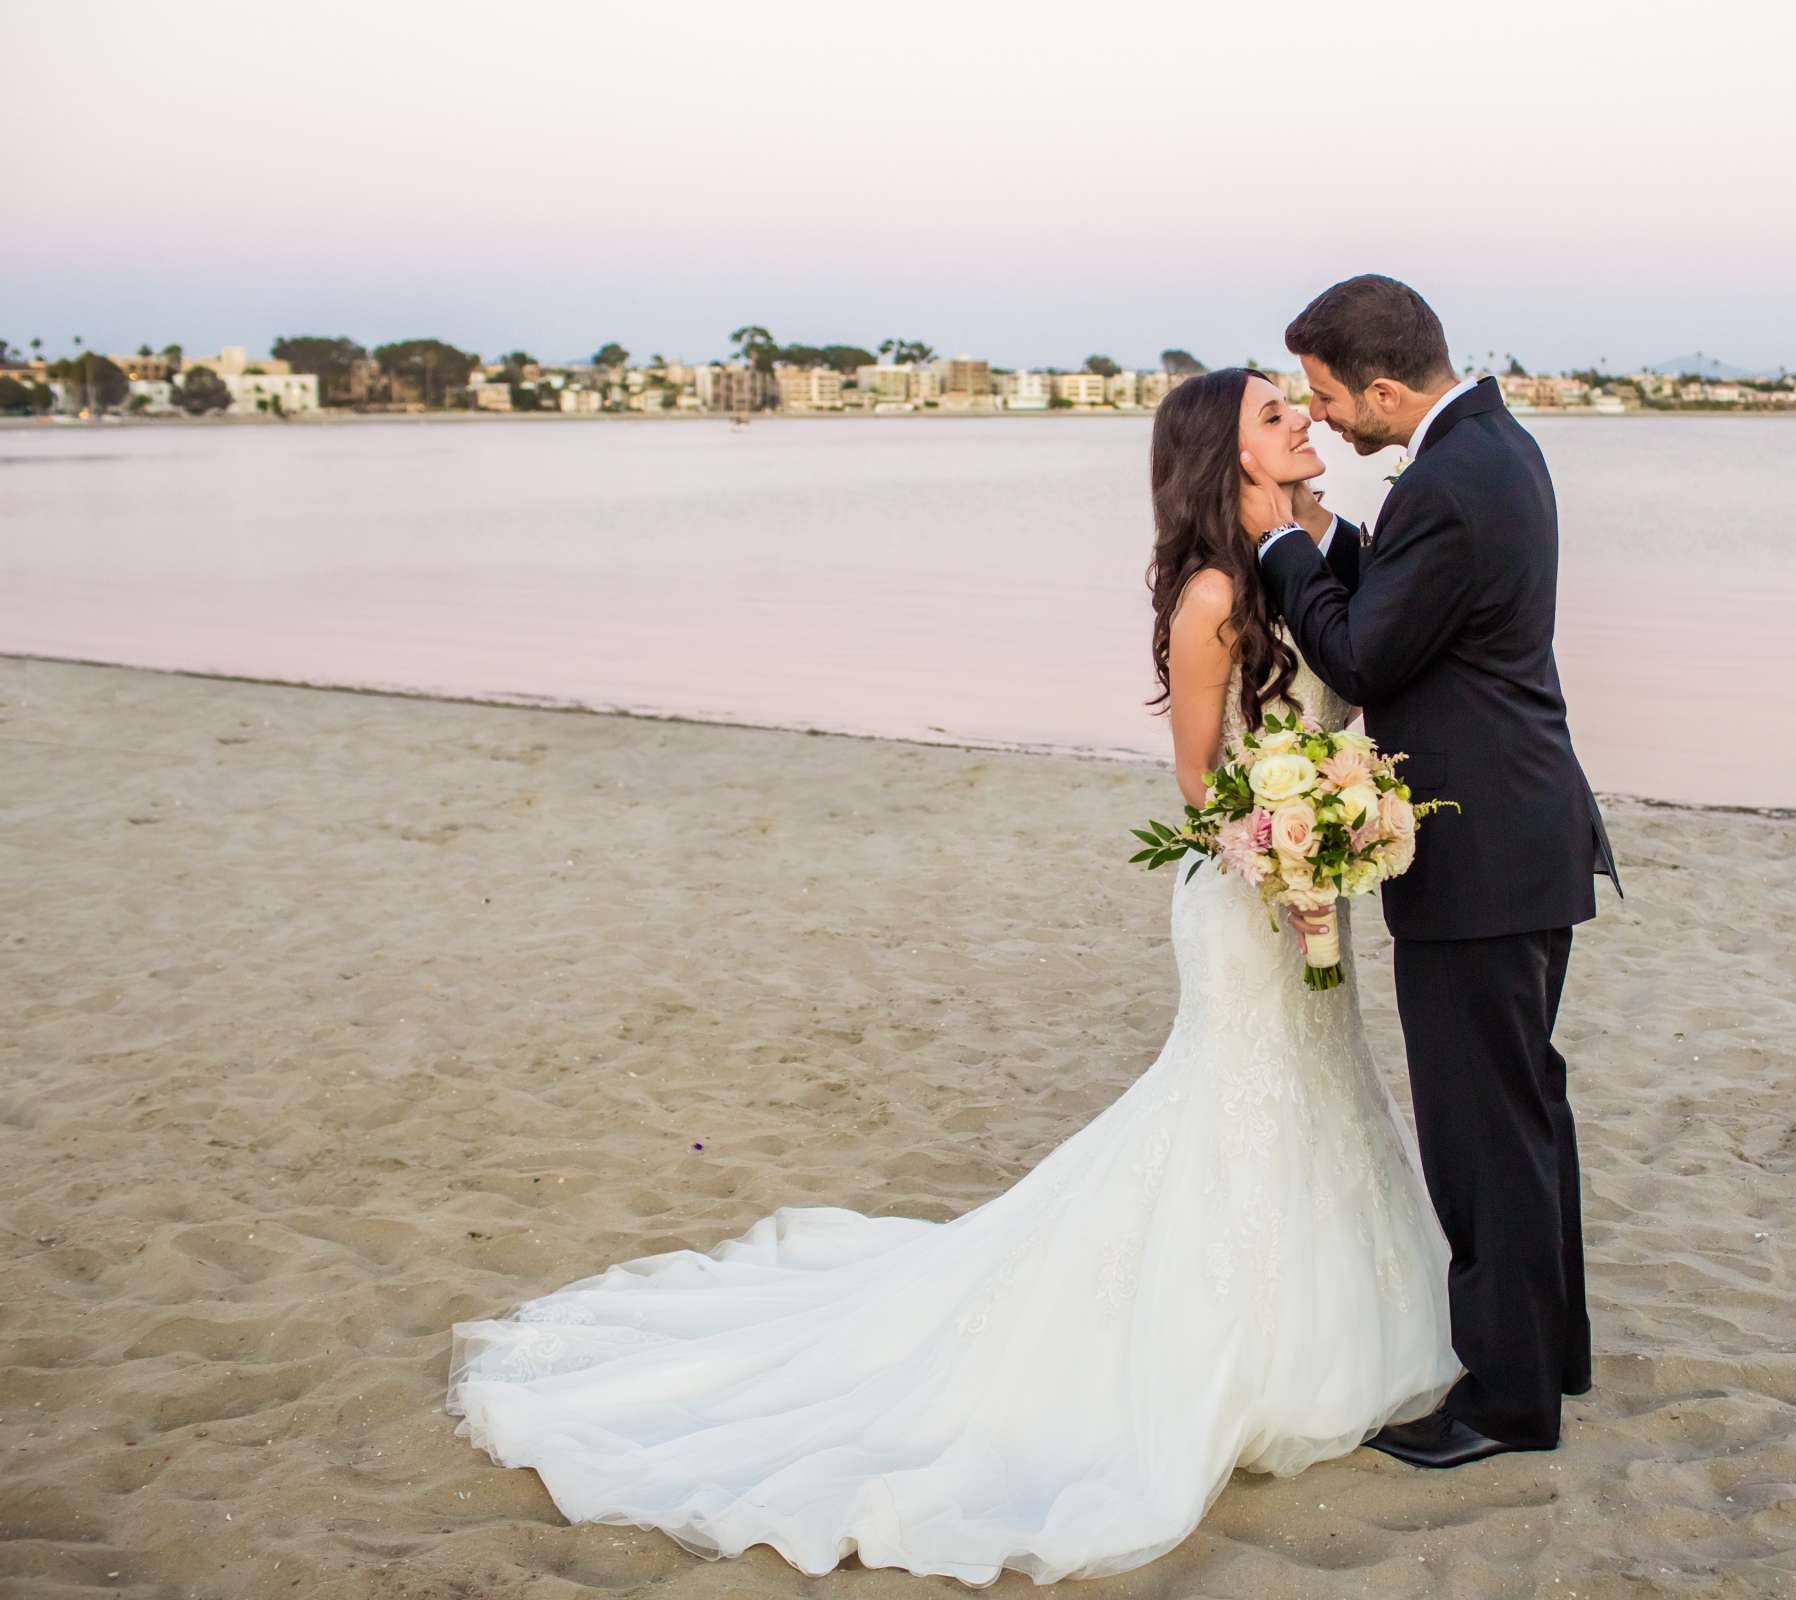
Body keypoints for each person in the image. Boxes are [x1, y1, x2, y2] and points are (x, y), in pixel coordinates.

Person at [444, 366, 1459, 1585]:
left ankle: (1326, 1328)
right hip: (1244, 896)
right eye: (1274, 413)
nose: (1303, 420)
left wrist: (1340, 819)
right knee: (1235, 1105)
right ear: (1225, 456)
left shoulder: (1322, 559)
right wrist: (1278, 844)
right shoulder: (1207, 597)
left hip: (1312, 891)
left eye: (1302, 407)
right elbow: (1198, 786)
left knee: (1325, 1093)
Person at [1248, 273, 1621, 1468]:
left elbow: (1362, 652)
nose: (1324, 419)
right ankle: (1547, 1353)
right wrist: (1337, 536)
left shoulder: (1455, 482)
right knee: (1524, 1112)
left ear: (1386, 388)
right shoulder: (1488, 449)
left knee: (1481, 1133)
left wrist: (1279, 548)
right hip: (1522, 837)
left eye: (1325, 397)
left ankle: (1506, 1402)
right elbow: (1423, 599)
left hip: (1485, 854)